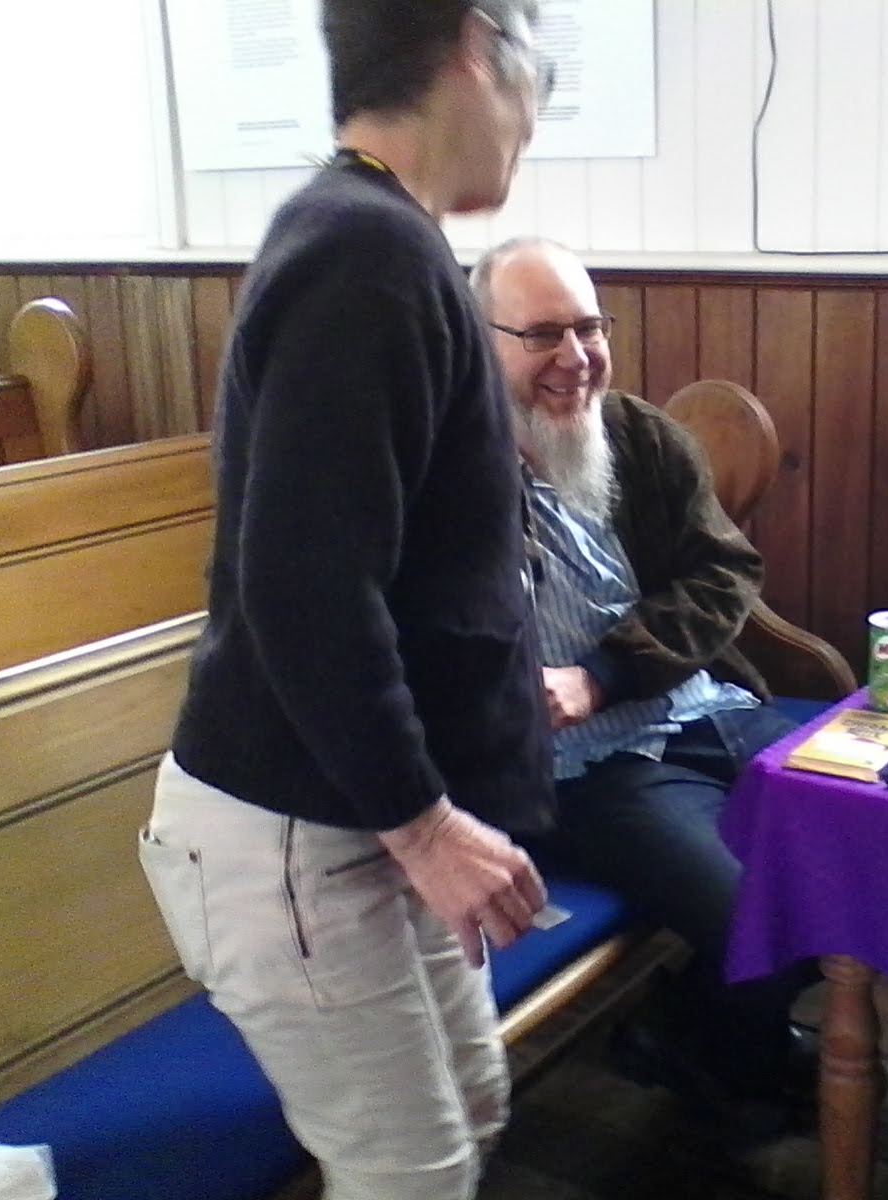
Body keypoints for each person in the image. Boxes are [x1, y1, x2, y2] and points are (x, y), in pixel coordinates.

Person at [137, 5, 558, 1197]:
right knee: (410, 1176)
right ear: (476, 48)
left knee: (470, 1109)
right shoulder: (361, 252)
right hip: (296, 828)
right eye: (537, 90)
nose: (530, 130)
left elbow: (406, 561)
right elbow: (303, 587)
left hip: (357, 814)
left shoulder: (379, 237)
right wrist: (425, 825)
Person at [470, 237, 820, 1140]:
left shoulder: (641, 437)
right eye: (542, 334)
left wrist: (606, 672)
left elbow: (723, 575)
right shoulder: (446, 470)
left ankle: (696, 1036)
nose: (576, 358)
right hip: (584, 773)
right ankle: (735, 1055)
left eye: (590, 328)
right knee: (757, 918)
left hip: (697, 706)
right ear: (480, 338)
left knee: (861, 836)